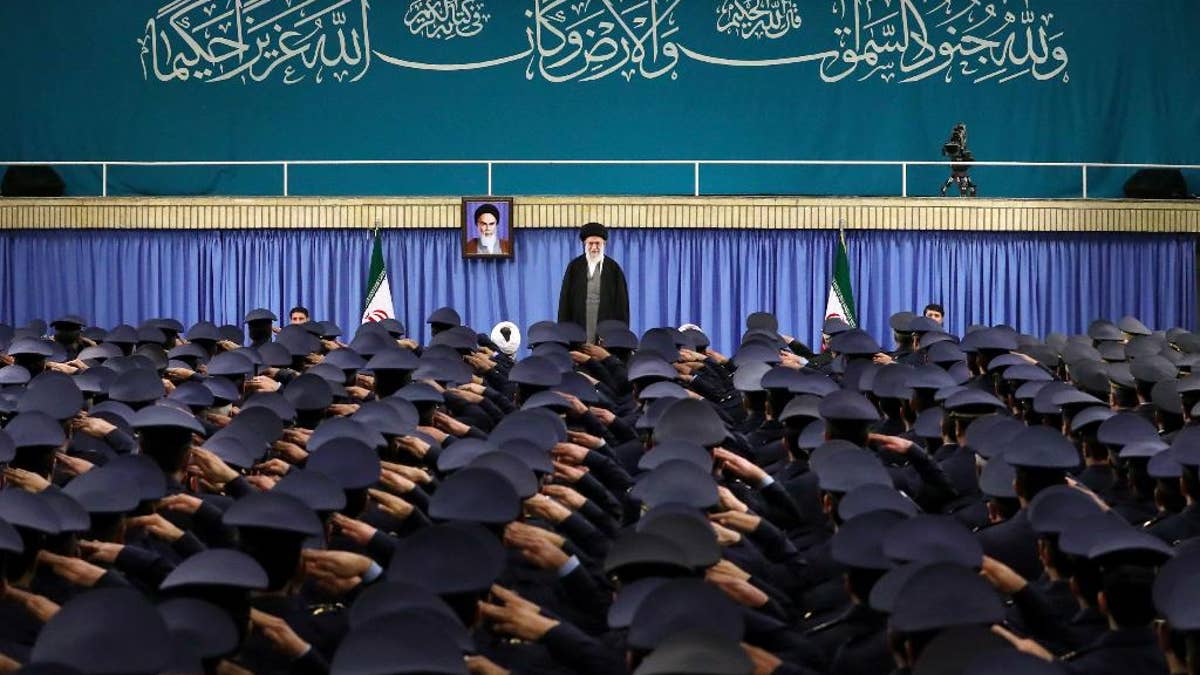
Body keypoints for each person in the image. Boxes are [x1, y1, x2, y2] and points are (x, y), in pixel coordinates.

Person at [557, 222, 630, 343]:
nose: (594, 247)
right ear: (584, 244)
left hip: (607, 338)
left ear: (604, 244)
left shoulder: (614, 269)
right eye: (590, 243)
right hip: (578, 333)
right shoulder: (574, 267)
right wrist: (564, 334)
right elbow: (564, 303)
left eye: (598, 243)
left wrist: (620, 336)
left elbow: (622, 307)